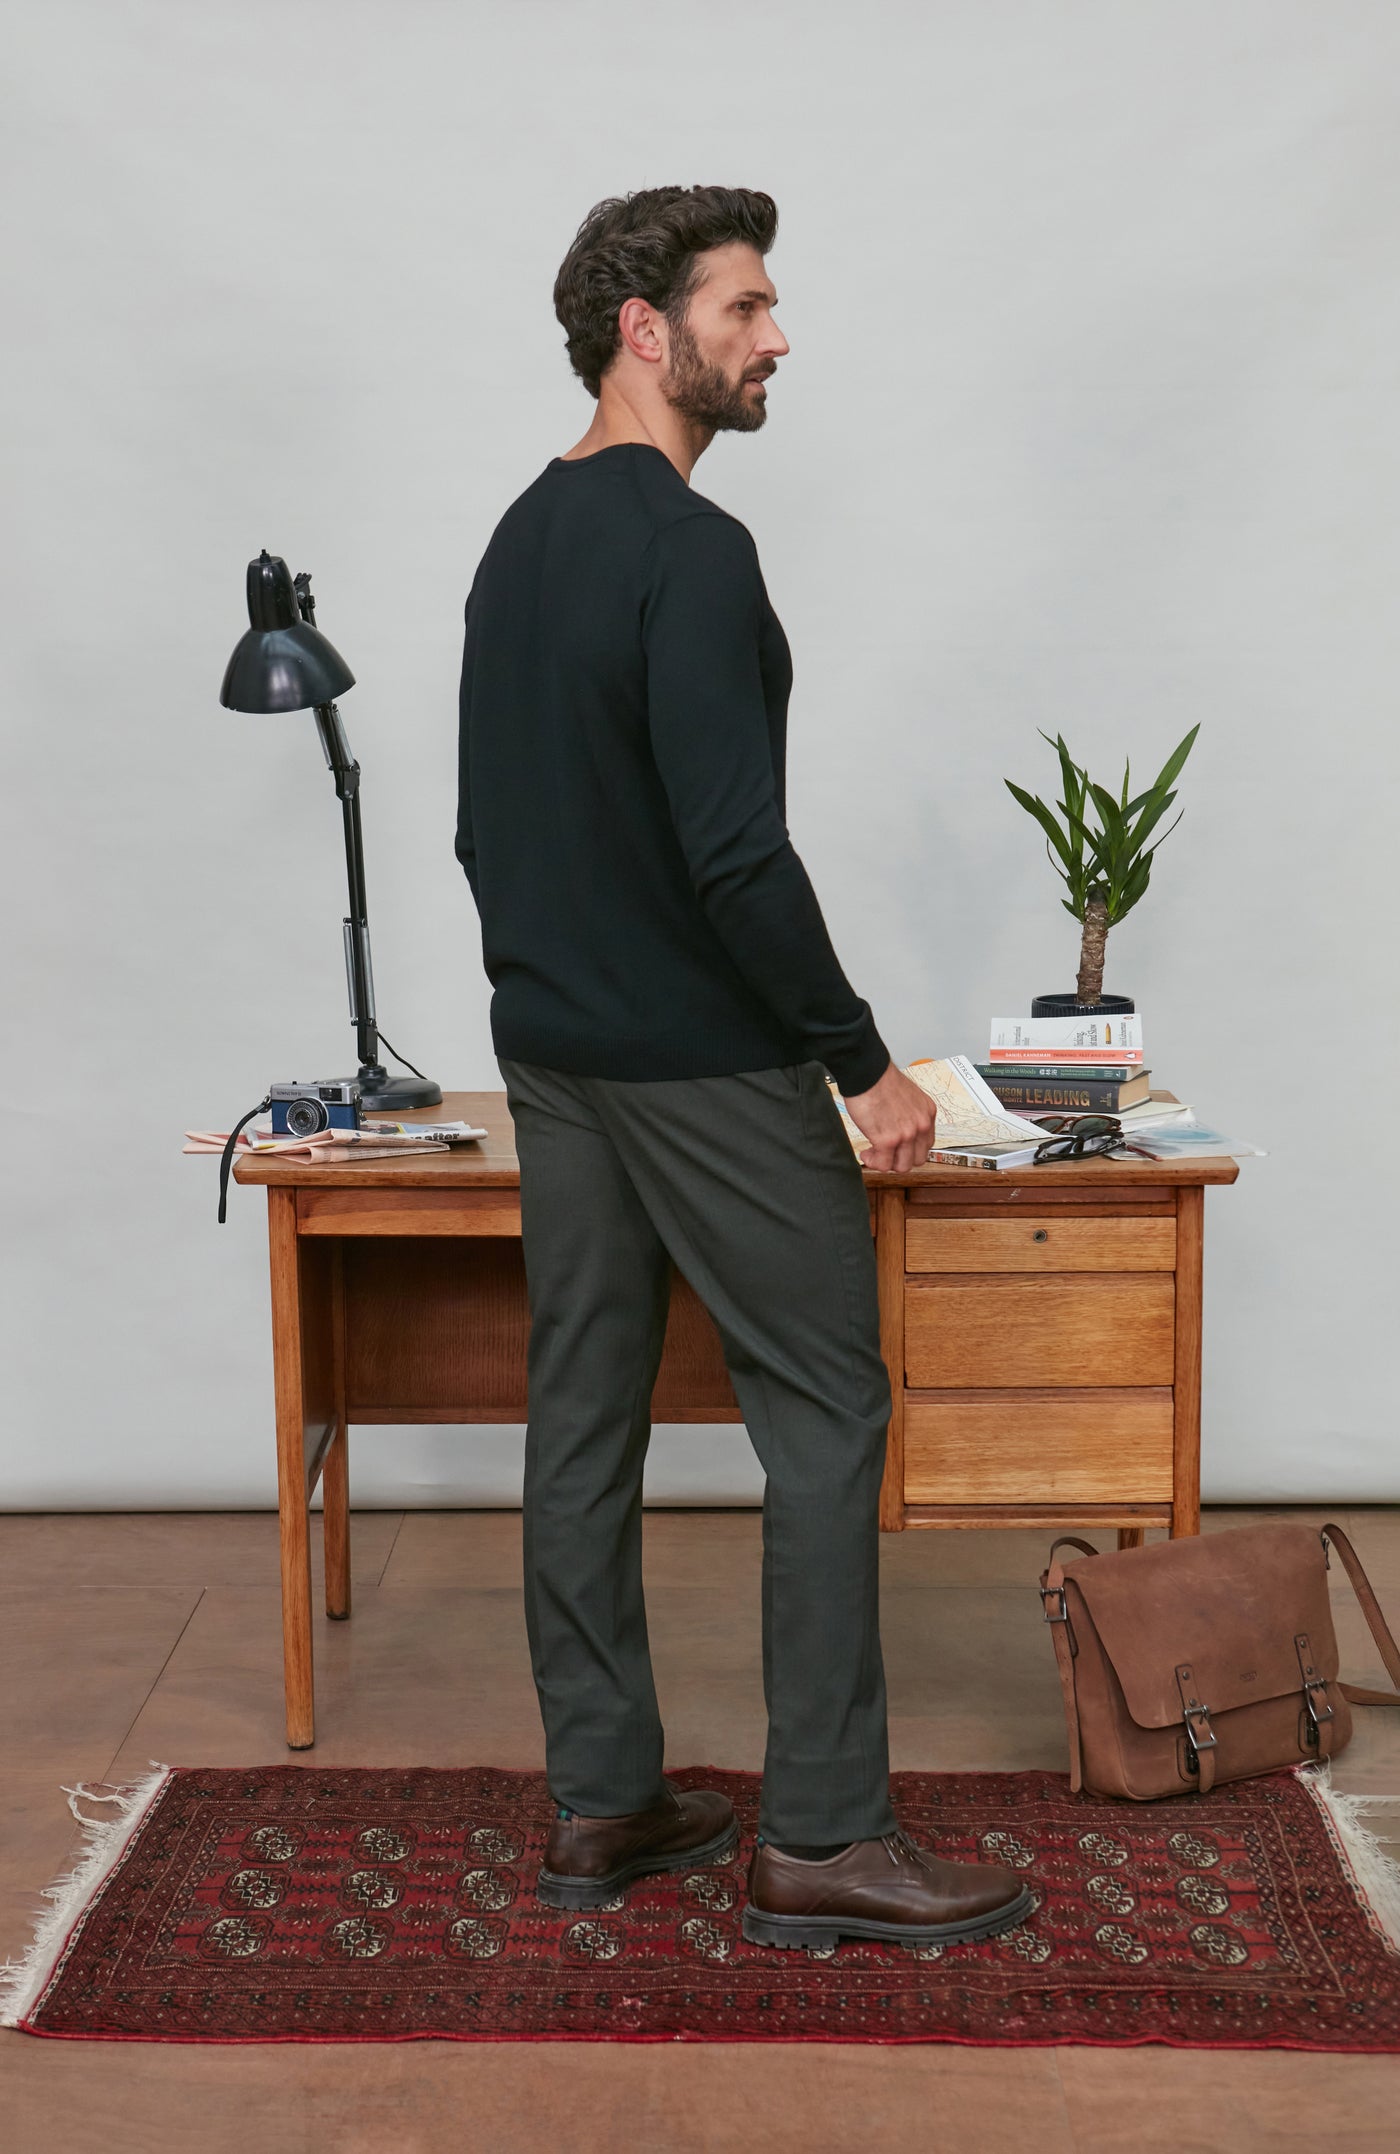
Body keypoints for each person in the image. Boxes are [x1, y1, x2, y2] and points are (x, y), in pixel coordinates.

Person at [455, 185, 1029, 1952]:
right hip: (701, 1061)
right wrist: (861, 1064)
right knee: (829, 1405)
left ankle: (604, 1801)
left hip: (554, 1052)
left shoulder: (516, 539)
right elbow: (736, 859)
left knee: (583, 1413)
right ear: (648, 331)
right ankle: (828, 1835)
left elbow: (485, 834)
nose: (777, 338)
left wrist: (555, 1000)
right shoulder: (692, 552)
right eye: (746, 308)